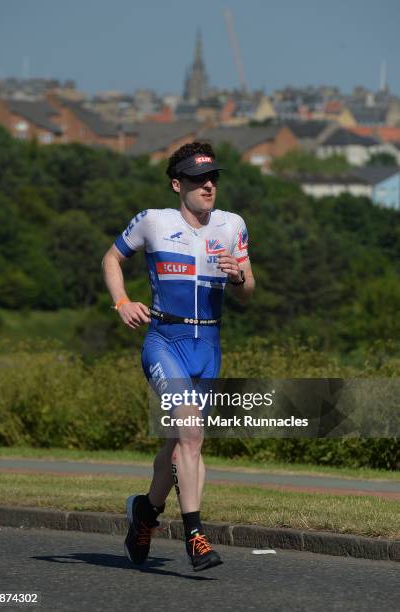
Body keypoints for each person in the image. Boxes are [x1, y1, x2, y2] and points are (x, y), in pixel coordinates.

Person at [102, 141, 255, 571]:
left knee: (179, 446)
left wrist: (239, 275)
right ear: (177, 184)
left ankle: (144, 516)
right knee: (190, 436)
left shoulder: (231, 226)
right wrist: (122, 303)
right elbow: (111, 258)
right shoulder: (154, 222)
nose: (208, 186)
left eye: (213, 179)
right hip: (164, 342)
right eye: (197, 180)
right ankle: (195, 537)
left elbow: (249, 292)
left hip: (208, 347)